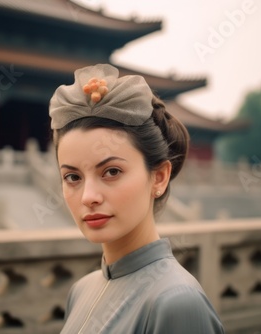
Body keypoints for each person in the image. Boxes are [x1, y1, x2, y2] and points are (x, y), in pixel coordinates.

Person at [49, 64, 224, 333]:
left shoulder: (177, 303)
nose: (89, 197)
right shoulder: (81, 291)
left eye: (111, 172)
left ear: (159, 177)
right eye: (72, 177)